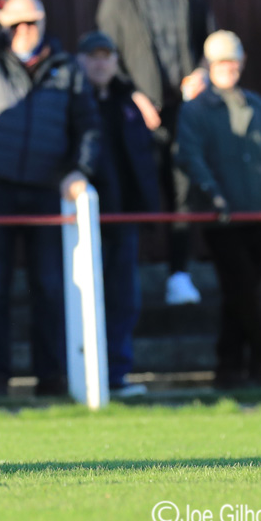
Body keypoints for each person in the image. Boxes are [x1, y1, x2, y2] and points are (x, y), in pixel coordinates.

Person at [0, 0, 101, 398]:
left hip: (47, 190)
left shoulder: (66, 68)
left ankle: (50, 377)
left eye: (33, 21)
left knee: (48, 286)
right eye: (19, 22)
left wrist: (79, 171)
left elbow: (89, 126)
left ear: (46, 22)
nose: (26, 30)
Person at [175, 31, 261, 390]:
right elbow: (190, 157)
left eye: (233, 61)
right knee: (244, 290)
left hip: (259, 216)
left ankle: (230, 367)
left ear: (242, 62)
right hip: (223, 220)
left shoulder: (258, 106)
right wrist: (215, 197)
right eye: (221, 63)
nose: (228, 69)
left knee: (241, 294)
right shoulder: (196, 111)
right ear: (209, 65)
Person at [96, 0, 215, 305]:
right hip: (137, 118)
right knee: (133, 192)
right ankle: (129, 279)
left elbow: (209, 44)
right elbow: (106, 58)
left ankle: (178, 273)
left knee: (182, 192)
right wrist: (134, 95)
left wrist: (203, 74)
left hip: (184, 111)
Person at [76, 31, 160, 397]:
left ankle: (116, 375)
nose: (99, 62)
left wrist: (148, 207)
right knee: (85, 299)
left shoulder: (128, 102)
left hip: (123, 216)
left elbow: (142, 160)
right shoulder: (73, 101)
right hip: (83, 219)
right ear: (81, 60)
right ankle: (83, 377)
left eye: (106, 56)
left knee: (124, 299)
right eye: (93, 56)